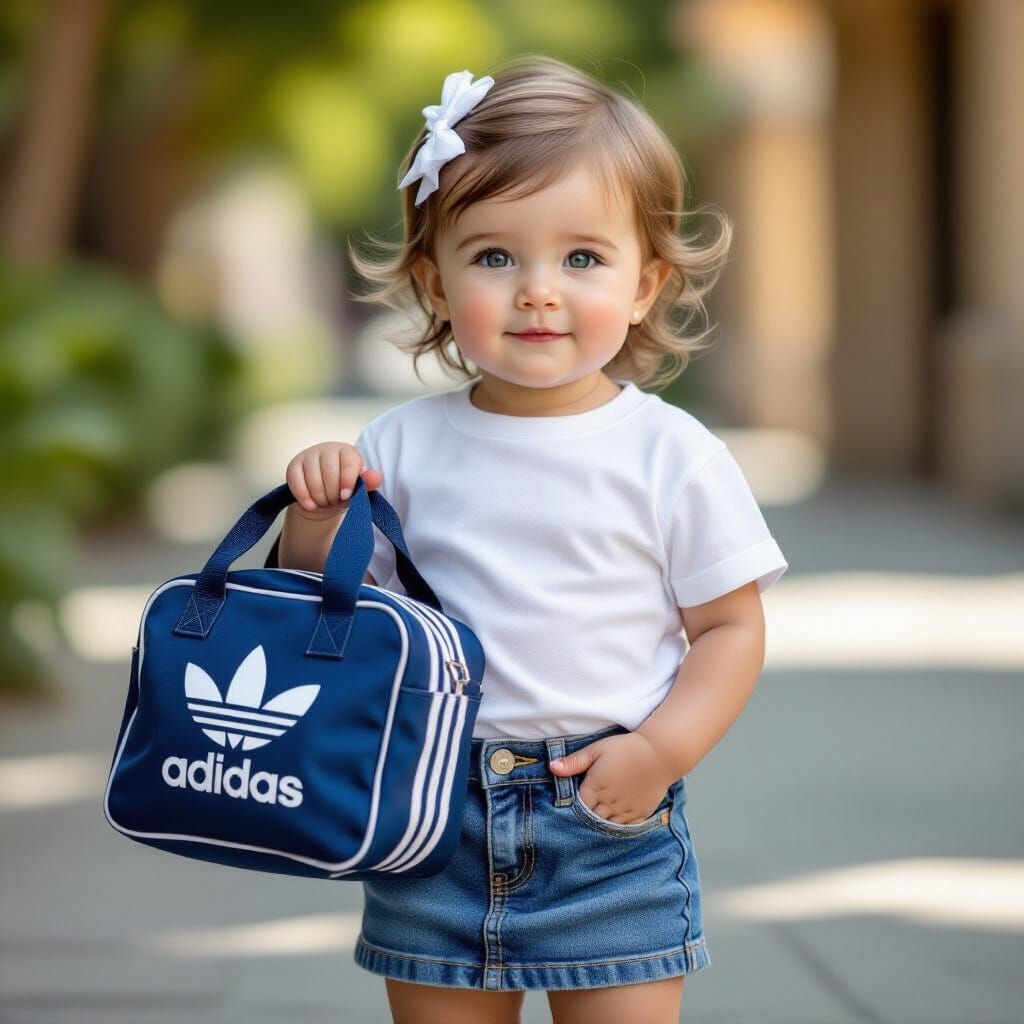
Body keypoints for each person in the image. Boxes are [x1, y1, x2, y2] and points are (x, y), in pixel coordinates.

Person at [268, 55, 789, 1024]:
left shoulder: (672, 454)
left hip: (608, 811)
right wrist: (316, 518)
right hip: (430, 816)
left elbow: (728, 628)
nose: (538, 291)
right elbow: (334, 609)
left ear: (646, 284)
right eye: (495, 257)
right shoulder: (398, 446)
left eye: (582, 258)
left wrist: (662, 750)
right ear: (433, 279)